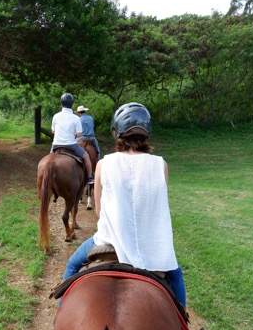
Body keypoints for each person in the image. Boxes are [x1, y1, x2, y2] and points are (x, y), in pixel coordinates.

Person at [61, 102, 187, 308]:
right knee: (176, 275)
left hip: (109, 240)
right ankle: (183, 328)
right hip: (153, 246)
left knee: (72, 265)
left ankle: (61, 316)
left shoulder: (104, 164)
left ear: (116, 133)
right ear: (147, 133)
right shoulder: (161, 164)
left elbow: (100, 213)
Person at [51, 93, 94, 185]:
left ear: (61, 104)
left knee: (50, 159)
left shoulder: (56, 116)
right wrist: (71, 135)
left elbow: (53, 131)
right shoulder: (76, 118)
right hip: (71, 145)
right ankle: (90, 177)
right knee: (86, 156)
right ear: (72, 104)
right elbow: (79, 134)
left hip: (56, 144)